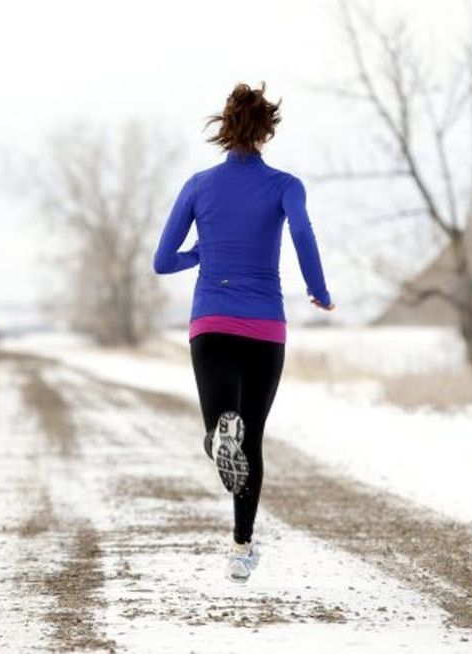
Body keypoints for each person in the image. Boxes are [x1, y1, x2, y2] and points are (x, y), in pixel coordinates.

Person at [151, 82, 335, 582]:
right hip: (265, 325)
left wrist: (202, 254)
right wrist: (319, 289)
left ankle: (215, 436)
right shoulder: (285, 185)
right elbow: (301, 233)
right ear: (267, 129)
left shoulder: (198, 185)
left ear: (224, 128)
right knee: (251, 438)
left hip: (211, 321)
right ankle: (241, 547)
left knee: (224, 428)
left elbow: (163, 261)